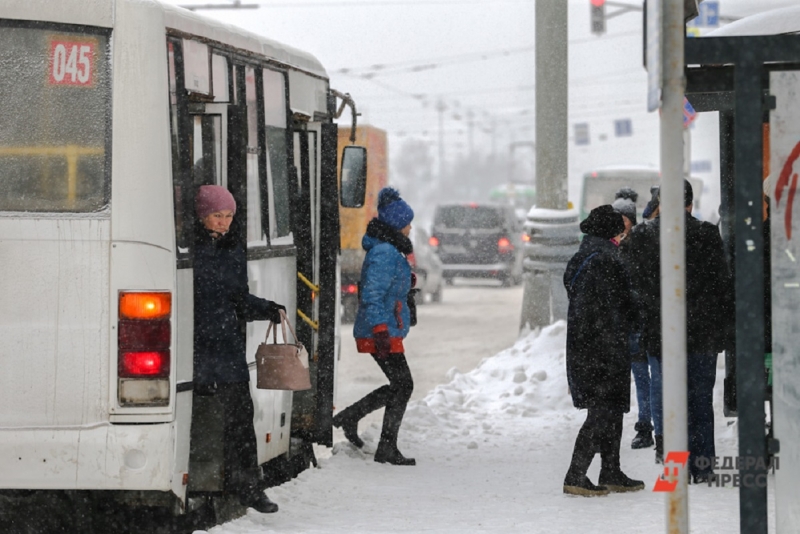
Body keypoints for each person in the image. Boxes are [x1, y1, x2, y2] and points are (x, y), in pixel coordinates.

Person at [626, 180, 734, 482]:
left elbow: (634, 287)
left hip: (663, 334)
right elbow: (722, 288)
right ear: (690, 203)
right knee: (700, 402)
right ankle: (703, 467)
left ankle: (675, 469)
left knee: (671, 402)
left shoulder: (643, 236)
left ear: (660, 204)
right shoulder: (706, 234)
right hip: (702, 335)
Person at [193, 184, 286, 513]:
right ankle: (200, 487)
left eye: (229, 216)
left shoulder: (232, 249)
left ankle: (247, 486)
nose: (223, 222)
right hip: (195, 347)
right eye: (217, 215)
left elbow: (237, 298)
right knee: (197, 418)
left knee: (240, 418)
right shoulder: (190, 249)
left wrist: (268, 309)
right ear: (202, 215)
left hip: (226, 345)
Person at [563, 205, 645, 496]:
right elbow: (617, 306)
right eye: (619, 229)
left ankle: (611, 470)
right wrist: (634, 315)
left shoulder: (584, 256)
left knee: (610, 410)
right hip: (604, 347)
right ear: (611, 231)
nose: (623, 234)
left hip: (589, 346)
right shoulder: (606, 260)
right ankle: (576, 474)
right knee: (602, 411)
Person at [333, 187, 417, 466]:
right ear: (396, 224)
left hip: (386, 327)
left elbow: (386, 287)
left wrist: (407, 284)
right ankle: (384, 445)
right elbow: (371, 294)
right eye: (407, 222)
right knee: (403, 384)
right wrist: (380, 329)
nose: (410, 227)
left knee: (400, 384)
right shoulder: (385, 252)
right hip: (380, 330)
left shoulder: (390, 249)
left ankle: (353, 418)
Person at [612, 190, 654, 450]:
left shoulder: (636, 245)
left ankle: (645, 426)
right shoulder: (615, 245)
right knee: (626, 378)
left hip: (636, 323)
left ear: (630, 219)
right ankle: (637, 425)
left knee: (641, 377)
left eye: (622, 219)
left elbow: (639, 284)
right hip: (623, 323)